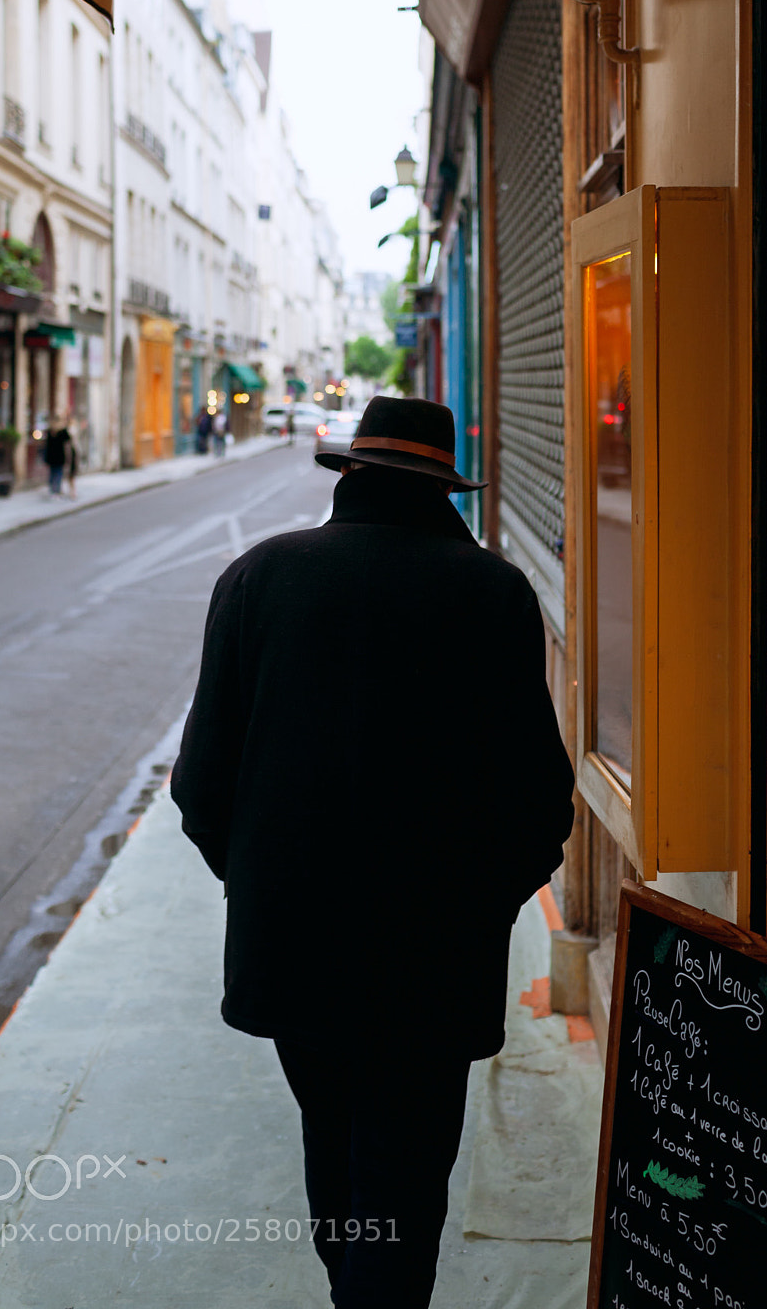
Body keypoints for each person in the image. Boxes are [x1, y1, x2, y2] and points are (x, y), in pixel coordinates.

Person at [171, 396, 574, 1309]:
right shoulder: (494, 594)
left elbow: (200, 788)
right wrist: (484, 902)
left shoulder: (258, 577)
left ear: (350, 474)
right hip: (436, 957)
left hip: (293, 945)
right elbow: (541, 798)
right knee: (405, 1171)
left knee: (334, 1149)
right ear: (444, 488)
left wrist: (267, 881)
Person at [42, 418, 70, 495]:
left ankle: (53, 489)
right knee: (58, 473)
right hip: (58, 456)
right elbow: (67, 445)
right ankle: (56, 490)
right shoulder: (62, 432)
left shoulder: (50, 432)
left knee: (53, 473)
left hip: (53, 457)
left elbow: (45, 445)